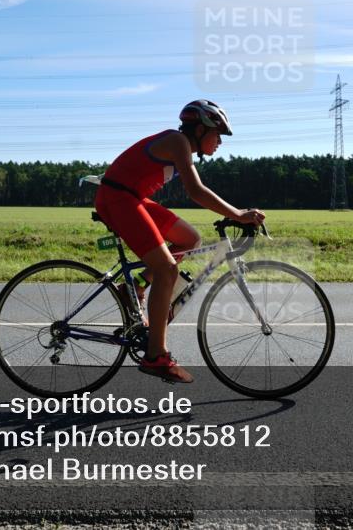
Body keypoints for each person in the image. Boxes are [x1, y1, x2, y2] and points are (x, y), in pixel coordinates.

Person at [94, 100, 265, 383]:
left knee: (190, 238)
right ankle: (155, 356)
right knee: (168, 270)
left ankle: (134, 287)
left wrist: (236, 214)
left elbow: (197, 190)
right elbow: (196, 191)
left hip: (131, 198)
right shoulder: (177, 141)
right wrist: (238, 214)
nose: (220, 141)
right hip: (118, 199)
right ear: (200, 129)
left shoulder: (181, 145)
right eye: (218, 134)